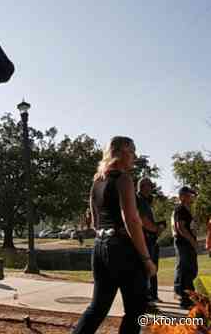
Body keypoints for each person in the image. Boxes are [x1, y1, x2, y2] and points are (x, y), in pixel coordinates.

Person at [72, 136, 156, 334]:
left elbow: (94, 222)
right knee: (136, 310)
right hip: (123, 250)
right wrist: (146, 259)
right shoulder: (124, 179)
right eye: (132, 151)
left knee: (97, 308)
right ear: (119, 152)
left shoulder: (97, 182)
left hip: (100, 247)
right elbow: (132, 221)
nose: (135, 156)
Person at [136, 177, 163, 303]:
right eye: (149, 186)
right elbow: (144, 221)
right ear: (142, 186)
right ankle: (146, 297)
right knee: (147, 268)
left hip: (151, 239)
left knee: (153, 268)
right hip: (146, 238)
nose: (151, 188)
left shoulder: (146, 201)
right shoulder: (140, 200)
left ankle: (153, 295)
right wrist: (156, 229)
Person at [172, 186, 198, 309]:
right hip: (183, 244)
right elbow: (180, 227)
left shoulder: (188, 209)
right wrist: (192, 241)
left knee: (191, 270)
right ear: (182, 196)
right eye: (189, 195)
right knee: (186, 270)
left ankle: (189, 296)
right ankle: (185, 300)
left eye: (192, 195)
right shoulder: (180, 209)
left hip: (188, 244)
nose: (191, 197)